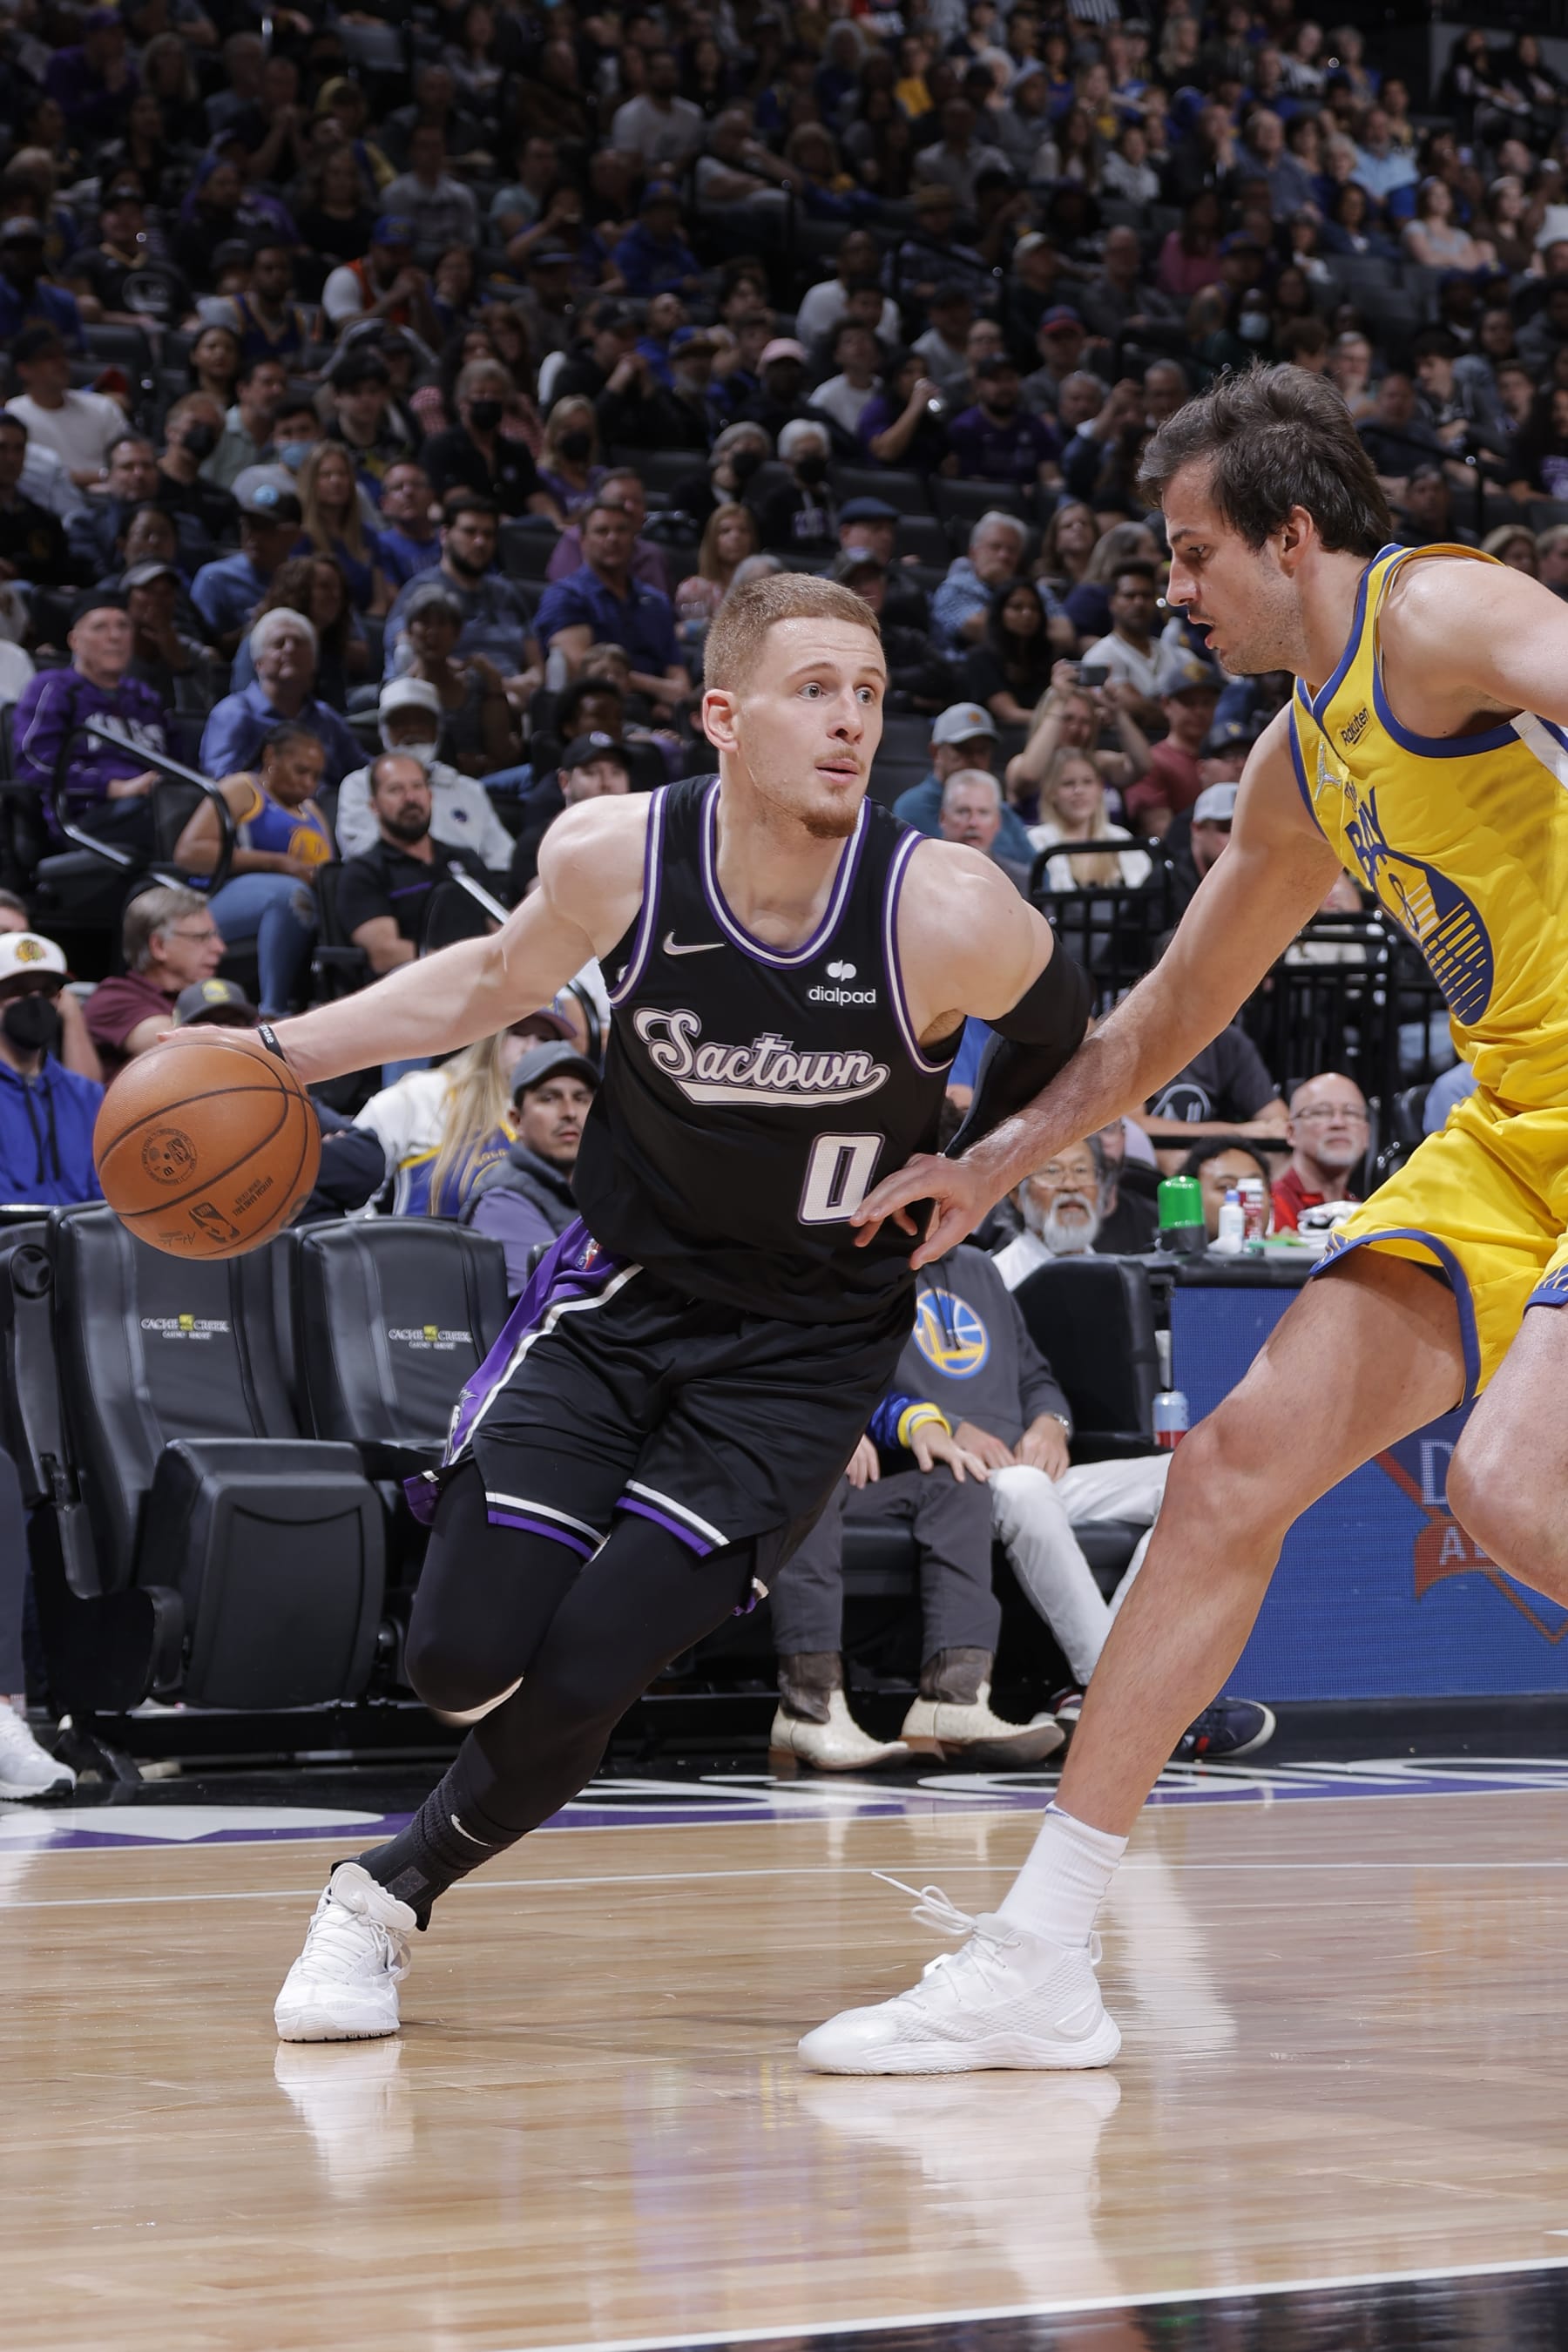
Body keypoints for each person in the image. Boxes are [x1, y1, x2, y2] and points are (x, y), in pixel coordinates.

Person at [189, 569, 1090, 2041]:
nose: (852, 722)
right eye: (814, 690)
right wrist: (273, 1050)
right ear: (725, 716)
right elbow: (483, 980)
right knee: (461, 1660)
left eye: (869, 694)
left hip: (806, 1352)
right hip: (618, 1299)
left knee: (600, 1662)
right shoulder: (621, 853)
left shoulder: (949, 907)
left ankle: (381, 1897)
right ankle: (462, 1770)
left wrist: (990, 1166)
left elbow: (1079, 1045)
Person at [805, 361, 1568, 2075]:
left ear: (1295, 536)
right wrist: (990, 1163)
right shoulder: (1308, 763)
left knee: (1519, 1490)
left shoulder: (1441, 609)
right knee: (1229, 1468)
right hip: (1518, 1137)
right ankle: (1042, 1959)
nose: (1170, 588)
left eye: (1192, 550)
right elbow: (1157, 1018)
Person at [172, 722, 332, 1017]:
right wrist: (276, 863)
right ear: (271, 757)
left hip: (297, 900)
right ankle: (273, 1011)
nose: (308, 783)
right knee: (289, 894)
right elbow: (189, 853)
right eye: (301, 771)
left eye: (316, 776)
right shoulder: (242, 789)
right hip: (216, 897)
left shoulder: (313, 810)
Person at [12, 591, 166, 850]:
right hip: (85, 817)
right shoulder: (53, 688)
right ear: (74, 640)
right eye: (100, 627)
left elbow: (177, 760)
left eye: (123, 626)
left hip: (156, 803)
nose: (115, 636)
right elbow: (34, 760)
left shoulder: (145, 697)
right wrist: (112, 787)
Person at [335, 678, 515, 876]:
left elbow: (502, 858)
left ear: (438, 729)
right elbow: (362, 852)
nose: (412, 729)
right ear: (383, 731)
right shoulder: (360, 785)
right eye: (400, 722)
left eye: (422, 720)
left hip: (470, 894)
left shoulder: (467, 789)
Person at [337, 753, 497, 976]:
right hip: (417, 986)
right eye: (396, 790)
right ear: (374, 806)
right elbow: (386, 953)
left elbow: (498, 927)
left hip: (487, 981)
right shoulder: (363, 873)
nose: (410, 798)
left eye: (417, 787)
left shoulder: (465, 859)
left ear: (430, 796)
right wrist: (459, 965)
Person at [462, 1040, 600, 1291]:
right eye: (549, 1098)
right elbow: (549, 1303)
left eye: (581, 1098)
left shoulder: (608, 1186)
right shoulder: (503, 1201)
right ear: (517, 1120)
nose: (570, 1112)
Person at [532, 500, 686, 716]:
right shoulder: (565, 595)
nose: (613, 538)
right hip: (596, 714)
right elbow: (586, 670)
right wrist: (659, 690)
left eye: (621, 530)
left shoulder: (656, 600)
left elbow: (680, 685)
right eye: (602, 531)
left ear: (634, 539)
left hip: (661, 715)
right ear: (583, 541)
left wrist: (662, 698)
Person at [382, 492, 537, 679]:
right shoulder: (420, 592)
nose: (480, 542)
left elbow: (536, 666)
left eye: (488, 534)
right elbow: (408, 658)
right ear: (444, 535)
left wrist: (528, 683)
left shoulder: (506, 593)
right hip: (453, 695)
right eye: (470, 532)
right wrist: (490, 685)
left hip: (515, 697)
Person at [200, 608, 362, 787]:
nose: (290, 648)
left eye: (299, 642)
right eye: (279, 643)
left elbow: (363, 771)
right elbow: (223, 782)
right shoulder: (234, 713)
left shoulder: (326, 717)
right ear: (258, 663)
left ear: (314, 661)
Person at [0, 929, 103, 1207]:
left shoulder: (88, 1096)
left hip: (82, 1244)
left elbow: (105, 1195)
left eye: (47, 992)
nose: (35, 1003)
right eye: (18, 991)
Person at [84, 884, 224, 1075]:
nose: (220, 948)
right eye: (201, 937)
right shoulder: (115, 997)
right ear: (158, 946)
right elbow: (178, 1046)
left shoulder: (214, 995)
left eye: (215, 936)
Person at [892, 701, 1036, 869]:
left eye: (982, 751)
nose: (974, 758)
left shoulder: (1002, 810)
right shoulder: (913, 807)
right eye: (963, 749)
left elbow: (1038, 875)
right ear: (936, 752)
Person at [4, 324, 126, 485]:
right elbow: (34, 475)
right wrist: (104, 476)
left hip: (115, 495)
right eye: (48, 357)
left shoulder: (102, 406)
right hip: (49, 502)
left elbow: (130, 457)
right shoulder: (13, 417)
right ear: (23, 369)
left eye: (62, 354)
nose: (61, 362)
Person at [1272, 1072, 1369, 1232]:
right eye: (1321, 1112)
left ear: (1366, 1135)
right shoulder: (1270, 1208)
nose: (1338, 1123)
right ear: (1291, 1132)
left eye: (1351, 1113)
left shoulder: (1365, 1213)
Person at [1176, 1132, 1275, 1239]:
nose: (1244, 1199)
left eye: (1254, 1189)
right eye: (1227, 1187)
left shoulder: (1285, 1251)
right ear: (1191, 1200)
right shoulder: (1167, 1253)